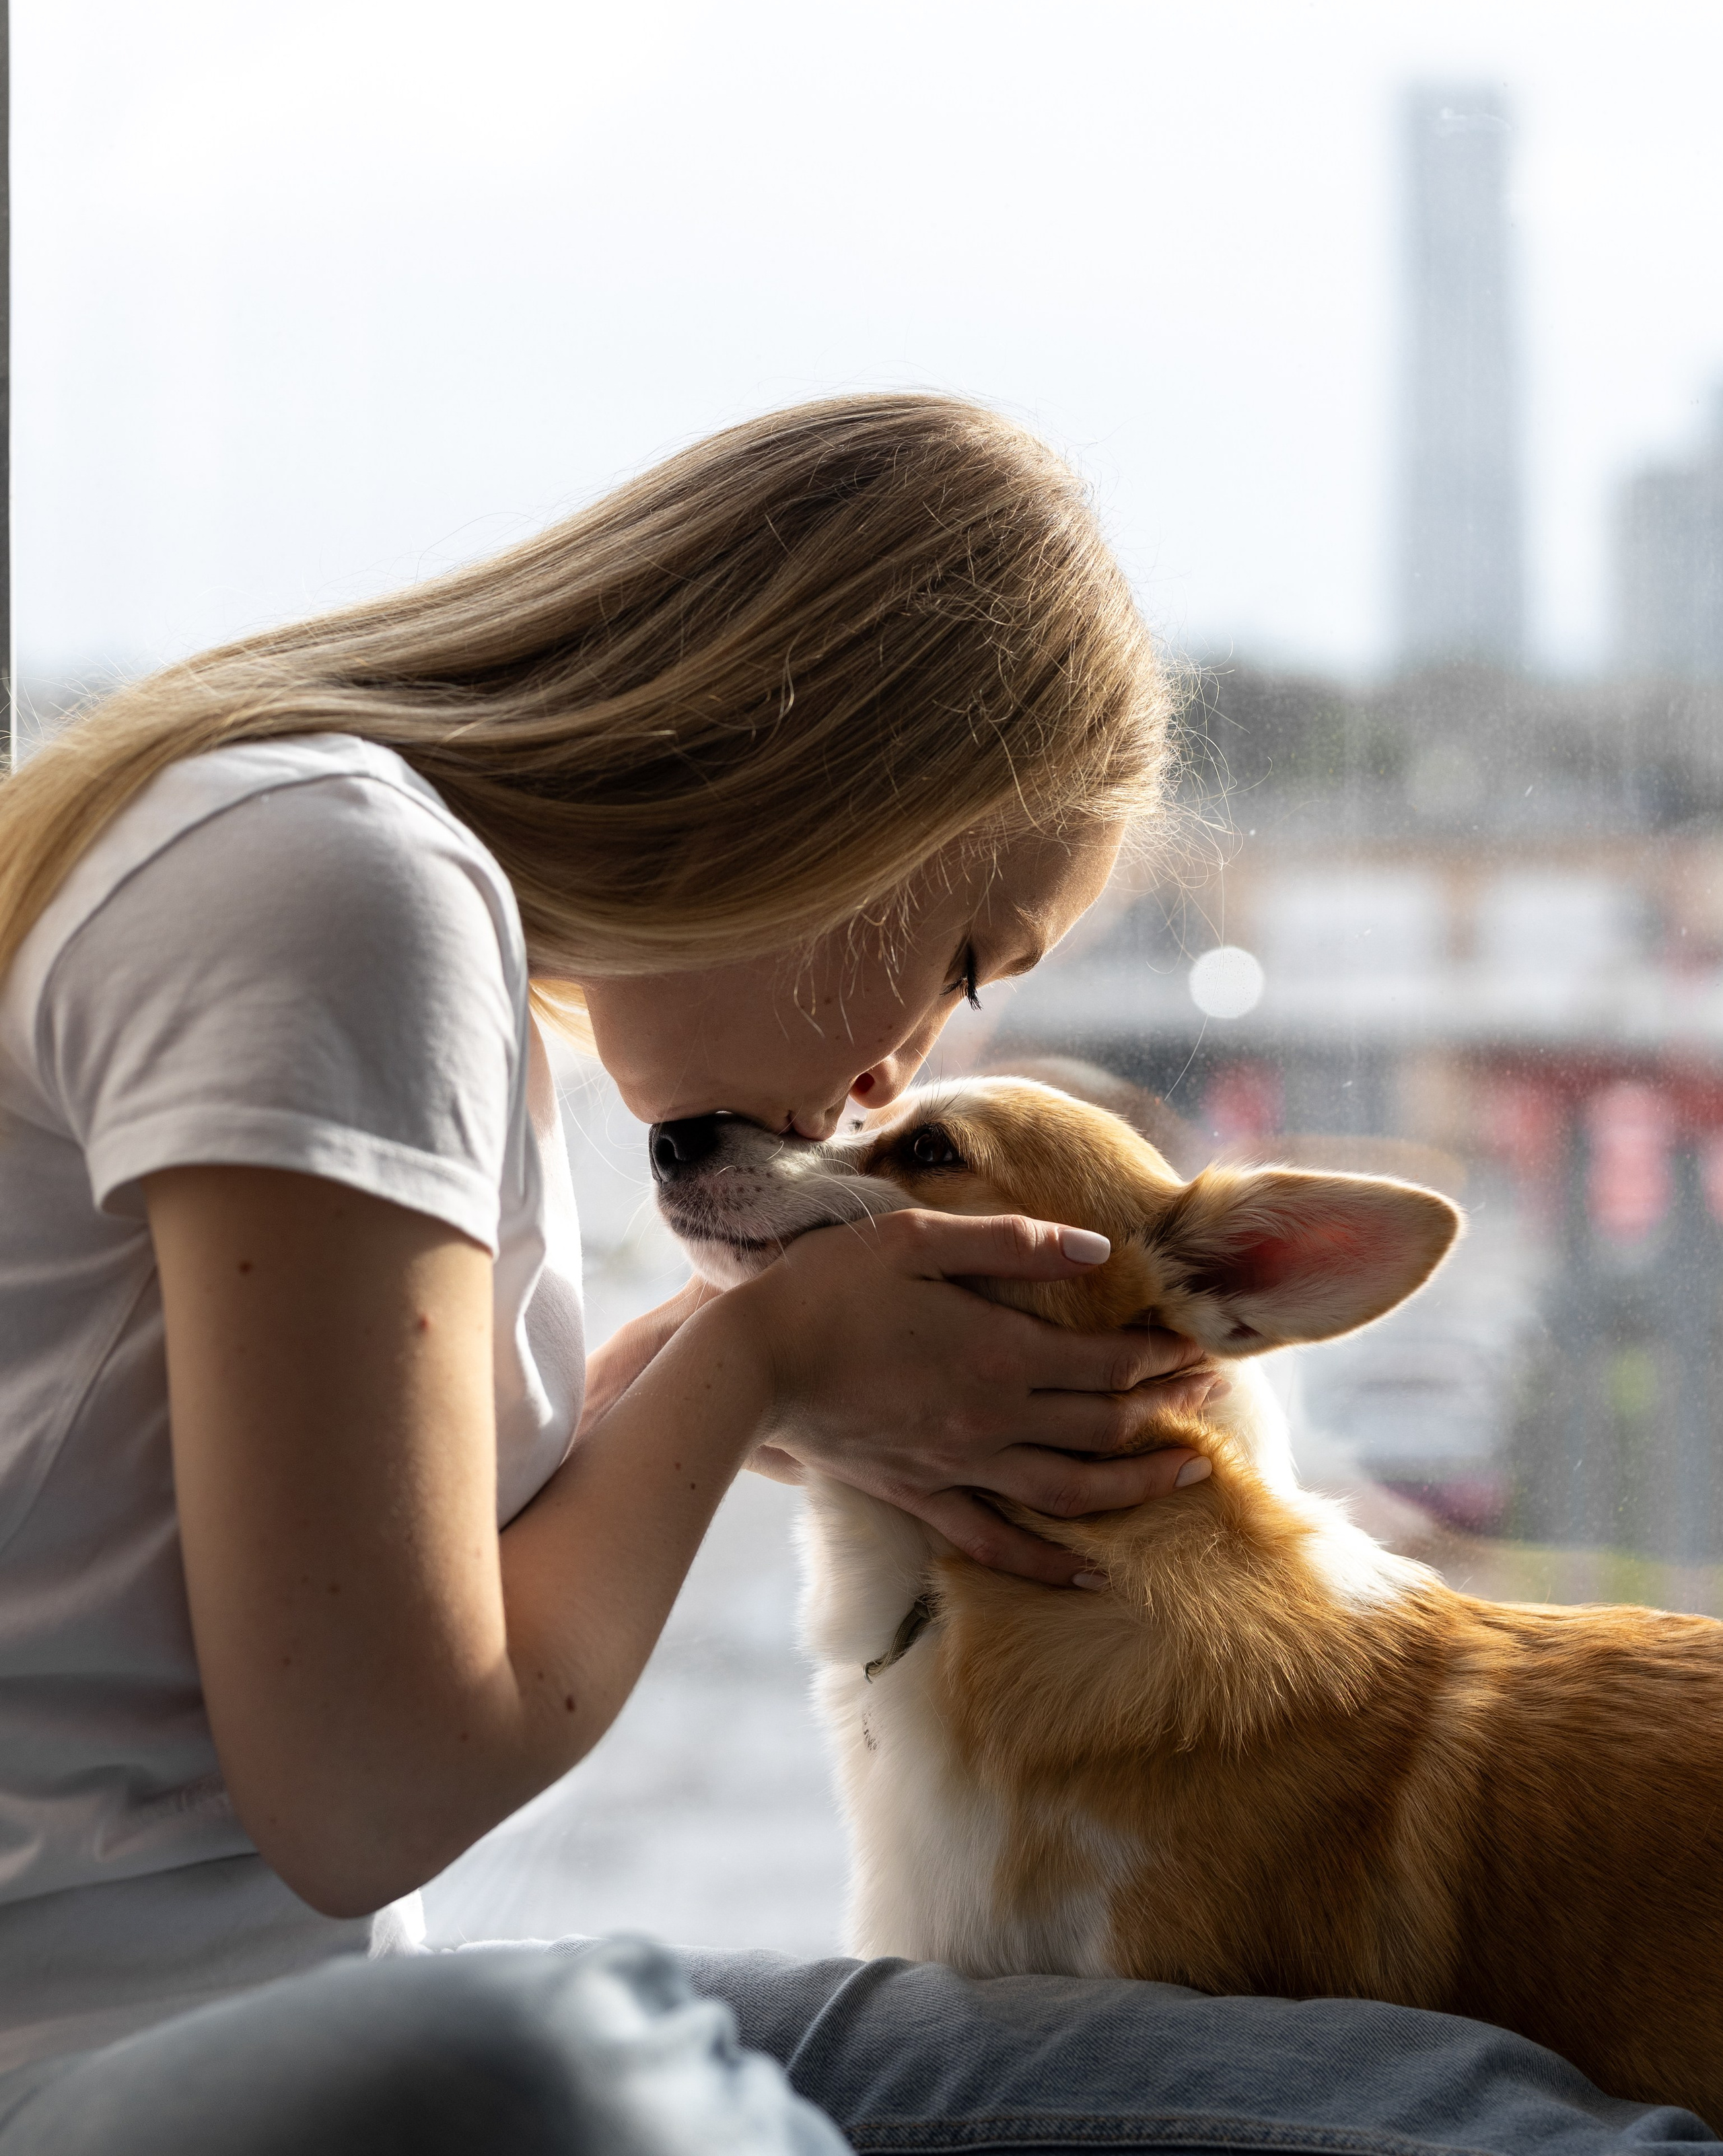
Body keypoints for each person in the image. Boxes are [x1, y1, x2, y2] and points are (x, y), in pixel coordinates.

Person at [0, 396, 1706, 2153]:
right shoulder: (349, 892)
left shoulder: (388, 912)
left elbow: (337, 1568)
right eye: (966, 956)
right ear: (826, 781)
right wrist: (762, 1357)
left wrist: (771, 1375)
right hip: (123, 2072)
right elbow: (364, 1790)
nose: (905, 1065)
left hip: (290, 2008)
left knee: (1464, 2100)